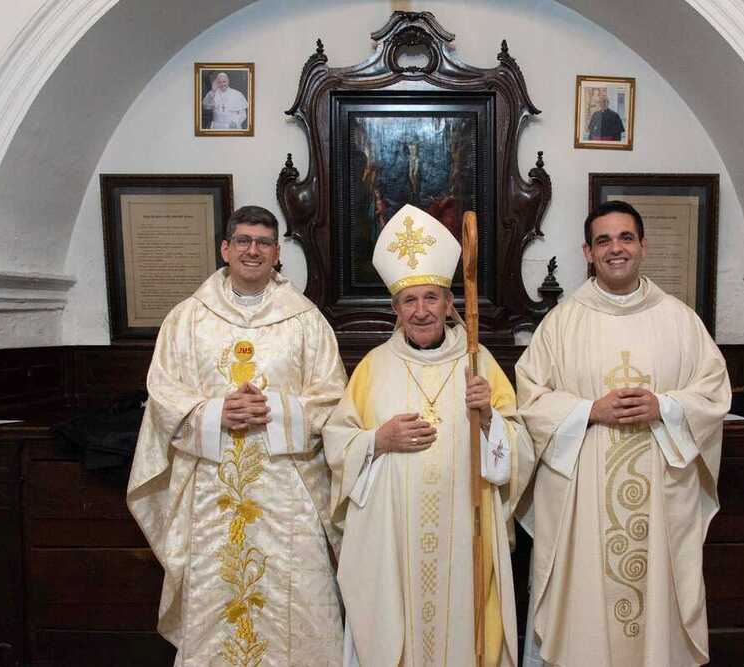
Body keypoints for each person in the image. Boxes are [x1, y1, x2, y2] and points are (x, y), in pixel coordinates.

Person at [127, 206, 347, 665]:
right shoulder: (187, 319)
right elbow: (163, 392)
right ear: (225, 249)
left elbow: (332, 398)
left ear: (277, 253)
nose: (253, 250)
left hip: (288, 489)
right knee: (214, 598)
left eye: (264, 242)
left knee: (299, 598)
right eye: (243, 241)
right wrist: (215, 412)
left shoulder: (305, 320)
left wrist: (273, 410)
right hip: (210, 488)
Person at [516, 200, 731, 666]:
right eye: (604, 241)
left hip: (661, 494)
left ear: (642, 246)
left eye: (625, 238)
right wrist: (587, 411)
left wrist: (666, 406)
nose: (616, 249)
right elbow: (529, 401)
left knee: (656, 606)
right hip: (583, 497)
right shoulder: (562, 322)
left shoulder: (680, 319)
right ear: (588, 253)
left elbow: (713, 393)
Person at [324, 204, 535, 666]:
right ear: (395, 309)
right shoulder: (373, 369)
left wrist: (489, 419)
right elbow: (337, 445)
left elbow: (520, 449)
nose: (421, 312)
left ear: (449, 303)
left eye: (431, 298)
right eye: (409, 301)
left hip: (467, 535)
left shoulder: (480, 365)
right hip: (391, 541)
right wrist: (377, 439)